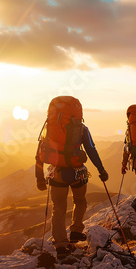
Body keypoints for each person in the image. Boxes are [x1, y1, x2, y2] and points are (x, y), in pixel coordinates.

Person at [35, 96, 108, 259]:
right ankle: (75, 231)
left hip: (57, 173)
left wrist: (39, 178)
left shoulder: (48, 128)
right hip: (77, 172)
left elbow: (39, 153)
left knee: (58, 208)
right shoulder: (82, 129)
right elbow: (91, 150)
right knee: (80, 201)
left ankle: (60, 245)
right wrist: (101, 170)